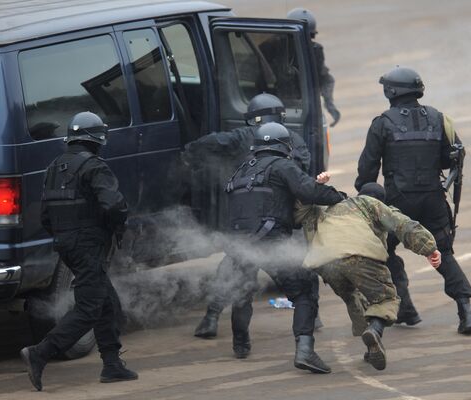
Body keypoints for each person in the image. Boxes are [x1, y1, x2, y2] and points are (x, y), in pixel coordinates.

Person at [186, 93, 322, 338]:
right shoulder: (293, 139)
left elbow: (205, 144)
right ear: (281, 116)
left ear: (251, 119)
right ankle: (313, 317)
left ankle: (212, 318)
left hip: (244, 223)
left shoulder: (241, 137)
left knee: (232, 270)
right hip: (277, 221)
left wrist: (191, 161)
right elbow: (303, 174)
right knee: (298, 272)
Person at [354, 66, 471, 335]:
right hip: (433, 198)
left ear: (391, 91)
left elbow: (367, 171)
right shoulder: (438, 118)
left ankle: (403, 308)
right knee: (442, 253)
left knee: (384, 254)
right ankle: (466, 311)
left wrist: (365, 201)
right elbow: (451, 158)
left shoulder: (382, 123)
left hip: (396, 203)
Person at [20, 112, 137, 391]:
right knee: (88, 308)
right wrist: (118, 224)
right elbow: (113, 205)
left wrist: (67, 237)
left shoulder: (55, 167)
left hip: (66, 246)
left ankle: (112, 365)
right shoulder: (95, 167)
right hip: (88, 246)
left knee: (107, 302)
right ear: (98, 140)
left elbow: (46, 215)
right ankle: (40, 353)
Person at [219, 122, 345, 373]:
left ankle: (241, 344)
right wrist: (339, 197)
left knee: (242, 292)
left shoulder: (242, 170)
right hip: (270, 240)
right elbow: (308, 190)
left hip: (239, 243)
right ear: (284, 146)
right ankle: (305, 351)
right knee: (304, 291)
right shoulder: (282, 165)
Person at [294, 182, 441, 370]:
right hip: (358, 255)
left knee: (354, 298)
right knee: (386, 298)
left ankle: (371, 348)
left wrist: (316, 186)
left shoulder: (330, 207)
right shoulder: (371, 204)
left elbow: (300, 213)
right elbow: (402, 224)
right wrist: (429, 249)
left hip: (325, 263)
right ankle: (375, 330)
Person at [287, 8, 341, 127]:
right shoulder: (272, 47)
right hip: (293, 108)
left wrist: (330, 106)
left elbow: (325, 79)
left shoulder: (315, 51)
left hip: (300, 108)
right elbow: (325, 79)